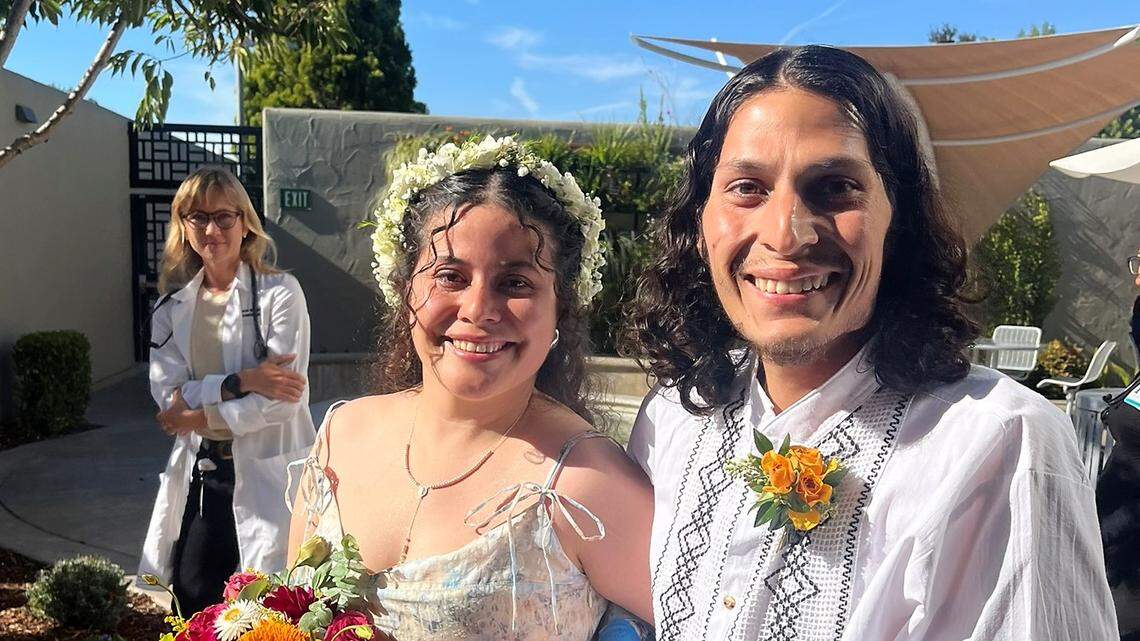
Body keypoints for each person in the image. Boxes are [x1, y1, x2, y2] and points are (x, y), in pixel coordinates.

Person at [623, 46, 1117, 640]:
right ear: (700, 223)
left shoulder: (999, 446)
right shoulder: (670, 420)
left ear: (897, 219)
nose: (785, 233)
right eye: (747, 187)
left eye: (834, 188)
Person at [287, 136, 653, 640]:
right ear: (404, 290)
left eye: (516, 283)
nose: (478, 310)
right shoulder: (339, 435)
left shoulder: (587, 486)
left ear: (560, 312)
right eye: (450, 276)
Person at [137, 167, 315, 616]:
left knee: (273, 608)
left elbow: (282, 400)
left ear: (245, 222)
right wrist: (242, 381)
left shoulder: (280, 294)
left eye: (224, 216)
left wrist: (200, 415)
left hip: (270, 473)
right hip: (206, 473)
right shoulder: (170, 309)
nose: (212, 229)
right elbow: (168, 398)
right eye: (198, 217)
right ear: (183, 224)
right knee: (193, 600)